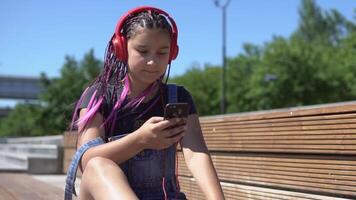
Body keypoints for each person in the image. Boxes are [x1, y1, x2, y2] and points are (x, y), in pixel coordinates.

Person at [65, 6, 225, 200]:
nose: (152, 62)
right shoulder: (99, 95)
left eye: (162, 53)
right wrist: (141, 139)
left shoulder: (178, 97)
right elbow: (87, 161)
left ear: (172, 53)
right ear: (122, 49)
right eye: (143, 51)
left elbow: (195, 154)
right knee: (99, 165)